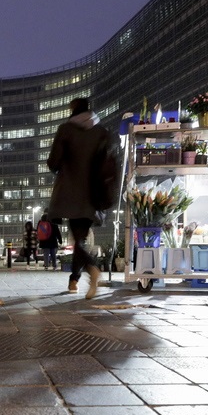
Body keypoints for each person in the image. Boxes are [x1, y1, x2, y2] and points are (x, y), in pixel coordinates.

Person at [47, 98, 118, 298]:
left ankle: (93, 269)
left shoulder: (66, 130)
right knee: (80, 238)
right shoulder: (101, 132)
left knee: (78, 241)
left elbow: (53, 162)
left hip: (70, 194)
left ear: (73, 111)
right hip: (93, 194)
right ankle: (74, 280)